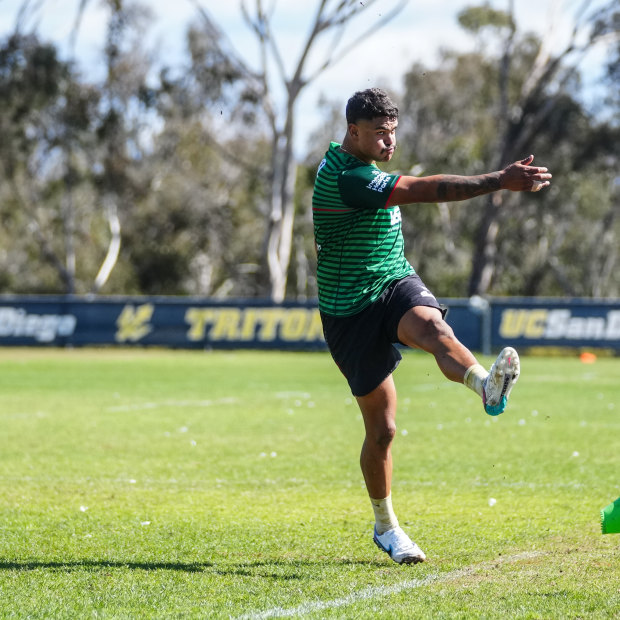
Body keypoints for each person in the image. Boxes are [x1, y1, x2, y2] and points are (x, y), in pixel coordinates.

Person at [311, 88, 551, 565]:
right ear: (352, 132)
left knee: (436, 332)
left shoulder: (365, 165)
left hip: (393, 281)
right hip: (348, 310)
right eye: (379, 134)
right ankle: (386, 527)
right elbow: (423, 190)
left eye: (394, 132)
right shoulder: (346, 178)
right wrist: (500, 181)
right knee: (383, 430)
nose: (389, 142)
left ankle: (486, 386)